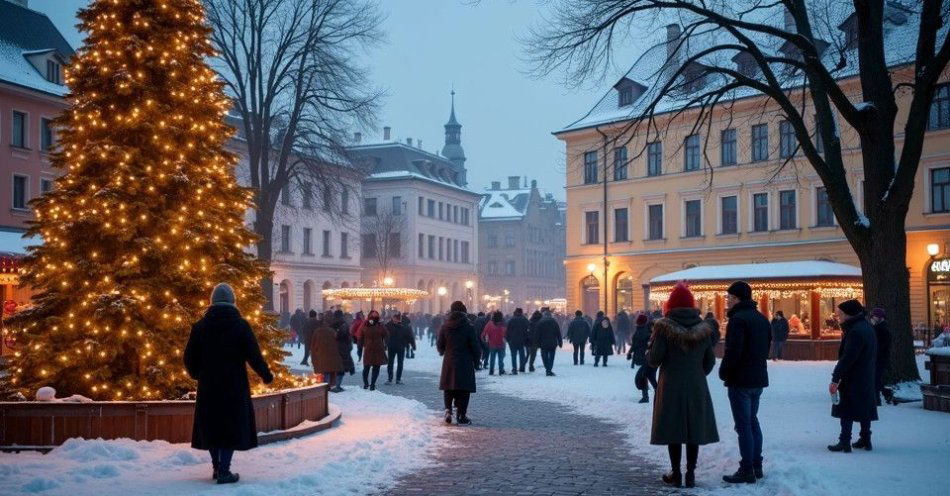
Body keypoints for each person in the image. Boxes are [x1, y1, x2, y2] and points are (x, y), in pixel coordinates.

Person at [184, 283, 274, 485]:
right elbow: (254, 356)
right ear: (233, 301)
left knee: (212, 425)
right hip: (234, 385)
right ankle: (224, 470)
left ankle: (216, 467)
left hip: (208, 385)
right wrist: (266, 375)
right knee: (231, 425)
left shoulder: (200, 327)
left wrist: (197, 374)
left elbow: (189, 357)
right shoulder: (241, 325)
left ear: (212, 302)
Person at [647, 282, 718, 489]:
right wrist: (695, 374)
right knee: (693, 429)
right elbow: (710, 362)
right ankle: (691, 474)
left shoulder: (663, 328)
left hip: (671, 385)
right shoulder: (704, 329)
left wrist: (647, 353)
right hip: (696, 385)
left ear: (670, 305)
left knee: (673, 429)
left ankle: (676, 473)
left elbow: (654, 359)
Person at [719, 281, 771, 484]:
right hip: (757, 378)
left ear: (736, 298)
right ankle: (756, 465)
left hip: (741, 380)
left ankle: (747, 468)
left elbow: (733, 352)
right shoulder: (761, 318)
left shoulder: (738, 320)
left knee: (743, 425)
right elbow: (766, 347)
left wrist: (725, 372)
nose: (727, 301)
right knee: (752, 421)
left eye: (729, 298)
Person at [828, 300, 879, 453]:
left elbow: (848, 358)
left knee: (847, 408)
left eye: (840, 314)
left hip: (854, 376)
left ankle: (844, 441)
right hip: (866, 374)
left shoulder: (855, 331)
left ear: (848, 315)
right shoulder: (866, 327)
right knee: (864, 407)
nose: (838, 317)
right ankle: (865, 439)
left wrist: (836, 378)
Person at [438, 301, 480, 425]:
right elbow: (475, 346)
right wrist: (477, 361)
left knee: (448, 387)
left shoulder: (445, 326)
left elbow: (440, 345)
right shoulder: (468, 326)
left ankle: (448, 410)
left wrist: (444, 351)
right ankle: (461, 415)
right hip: (465, 361)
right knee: (464, 389)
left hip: (449, 360)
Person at [310, 310, 343, 389]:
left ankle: (324, 385)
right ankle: (328, 385)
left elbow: (313, 345)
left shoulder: (317, 331)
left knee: (324, 370)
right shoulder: (332, 331)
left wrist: (314, 352)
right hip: (331, 354)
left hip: (321, 353)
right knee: (329, 371)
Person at [628, 312, 657, 403]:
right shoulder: (644, 330)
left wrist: (630, 352)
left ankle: (646, 397)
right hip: (650, 358)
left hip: (646, 358)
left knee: (642, 376)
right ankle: (658, 394)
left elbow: (635, 344)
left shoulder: (641, 331)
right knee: (649, 376)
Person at [869, 307, 894, 405]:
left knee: (875, 379)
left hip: (879, 358)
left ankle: (878, 400)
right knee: (876, 379)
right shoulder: (880, 328)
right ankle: (884, 394)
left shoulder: (881, 330)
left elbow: (881, 346)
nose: (872, 319)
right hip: (880, 358)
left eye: (874, 317)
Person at [358, 310, 388, 390]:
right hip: (370, 349)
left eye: (376, 315)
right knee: (367, 367)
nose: (375, 317)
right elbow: (360, 337)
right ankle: (366, 383)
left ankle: (372, 384)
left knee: (375, 367)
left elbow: (386, 334)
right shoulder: (368, 325)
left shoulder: (378, 325)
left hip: (377, 349)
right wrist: (360, 347)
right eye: (373, 315)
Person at [385, 312, 415, 385]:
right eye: (395, 318)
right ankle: (390, 378)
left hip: (401, 347)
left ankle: (398, 379)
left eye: (397, 318)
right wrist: (385, 344)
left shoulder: (404, 326)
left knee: (400, 363)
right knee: (390, 363)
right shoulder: (388, 325)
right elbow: (384, 335)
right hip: (391, 347)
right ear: (393, 318)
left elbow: (409, 336)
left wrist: (412, 345)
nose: (396, 320)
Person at [332, 310, 355, 392]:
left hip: (336, 348)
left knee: (337, 367)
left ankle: (335, 385)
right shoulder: (343, 324)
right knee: (341, 368)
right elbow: (343, 336)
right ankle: (337, 385)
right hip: (342, 348)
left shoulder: (333, 324)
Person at [536, 309, 563, 376]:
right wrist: (560, 342)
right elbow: (558, 332)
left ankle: (547, 368)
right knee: (551, 357)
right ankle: (549, 369)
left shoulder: (540, 322)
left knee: (544, 356)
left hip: (543, 342)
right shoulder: (554, 322)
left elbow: (537, 333)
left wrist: (537, 342)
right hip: (552, 342)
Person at [481, 311, 507, 375]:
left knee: (492, 358)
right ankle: (501, 370)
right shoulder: (503, 324)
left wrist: (485, 341)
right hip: (501, 343)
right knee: (501, 359)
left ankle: (491, 371)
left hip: (492, 344)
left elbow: (484, 333)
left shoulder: (490, 324)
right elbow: (506, 333)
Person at [505, 308, 529, 374]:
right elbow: (528, 328)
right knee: (522, 355)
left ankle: (514, 369)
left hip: (513, 340)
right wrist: (526, 338)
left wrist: (508, 339)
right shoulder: (524, 319)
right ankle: (522, 368)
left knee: (513, 355)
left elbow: (507, 330)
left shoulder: (511, 320)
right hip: (522, 340)